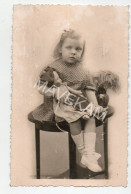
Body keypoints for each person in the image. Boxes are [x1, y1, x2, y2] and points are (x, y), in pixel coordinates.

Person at [32, 30, 107, 172]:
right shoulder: (53, 67)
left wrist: (95, 107)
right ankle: (83, 151)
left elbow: (90, 90)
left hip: (79, 103)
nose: (73, 52)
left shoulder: (84, 71)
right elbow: (41, 87)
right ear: (60, 48)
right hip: (58, 104)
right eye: (69, 47)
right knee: (74, 118)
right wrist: (57, 92)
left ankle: (89, 155)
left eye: (78, 49)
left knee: (91, 116)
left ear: (82, 51)